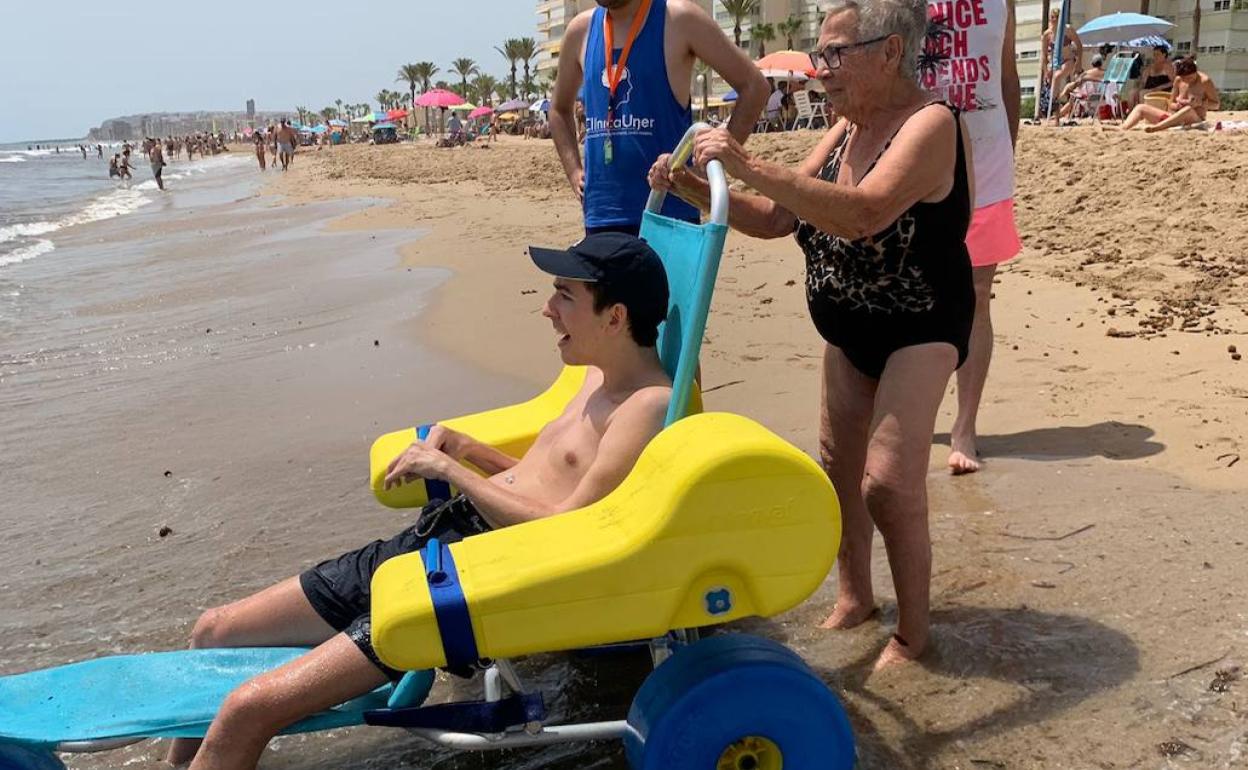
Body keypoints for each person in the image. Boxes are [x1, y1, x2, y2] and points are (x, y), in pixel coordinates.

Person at [166, 233, 674, 770]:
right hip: (435, 543)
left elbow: (567, 530)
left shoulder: (644, 407)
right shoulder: (596, 375)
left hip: (469, 578)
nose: (547, 310)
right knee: (213, 631)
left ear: (615, 318)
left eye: (564, 296)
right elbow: (543, 484)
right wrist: (471, 451)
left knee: (247, 711)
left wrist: (450, 470)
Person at [650, 0, 974, 670]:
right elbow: (777, 217)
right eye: (819, 54)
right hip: (847, 326)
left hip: (920, 322)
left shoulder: (931, 123)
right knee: (837, 470)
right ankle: (856, 598)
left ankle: (915, 635)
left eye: (834, 54)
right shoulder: (844, 126)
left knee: (885, 483)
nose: (820, 69)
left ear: (890, 51)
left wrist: (744, 162)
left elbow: (864, 214)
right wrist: (688, 187)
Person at [550, 0, 769, 236]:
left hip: (671, 216)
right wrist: (574, 171)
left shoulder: (679, 18)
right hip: (602, 216)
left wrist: (707, 164)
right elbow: (558, 110)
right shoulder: (581, 30)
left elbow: (754, 87)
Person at [921, 0, 1020, 474]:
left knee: (978, 294)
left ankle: (965, 427)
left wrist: (1009, 149)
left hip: (987, 156)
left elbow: (1007, 77)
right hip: (918, 156)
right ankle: (909, 414)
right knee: (914, 288)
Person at [1119, 56, 1219, 132]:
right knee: (1141, 107)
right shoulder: (1179, 80)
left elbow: (1216, 105)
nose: (1187, 81)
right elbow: (1171, 103)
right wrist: (1177, 105)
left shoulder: (1205, 81)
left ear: (1195, 72)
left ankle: (1158, 127)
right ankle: (1123, 128)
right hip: (1172, 117)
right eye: (1185, 79)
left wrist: (1200, 104)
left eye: (1190, 78)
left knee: (1188, 109)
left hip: (1194, 119)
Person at [1038, 7, 1082, 121]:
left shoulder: (1068, 30)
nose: (1052, 20)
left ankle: (1053, 107)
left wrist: (1079, 62)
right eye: (1051, 17)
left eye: (1055, 17)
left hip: (1068, 60)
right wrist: (1045, 70)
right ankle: (1056, 115)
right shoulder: (1047, 34)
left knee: (1057, 78)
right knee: (1051, 85)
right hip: (1054, 63)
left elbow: (1079, 45)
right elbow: (1043, 55)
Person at [1057, 55, 1105, 120]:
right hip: (1101, 97)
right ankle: (1060, 111)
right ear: (1101, 63)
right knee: (1073, 91)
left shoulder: (1086, 73)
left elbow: (1077, 82)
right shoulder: (1106, 73)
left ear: (1092, 64)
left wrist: (1070, 88)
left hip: (1087, 97)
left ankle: (1059, 114)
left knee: (1072, 96)